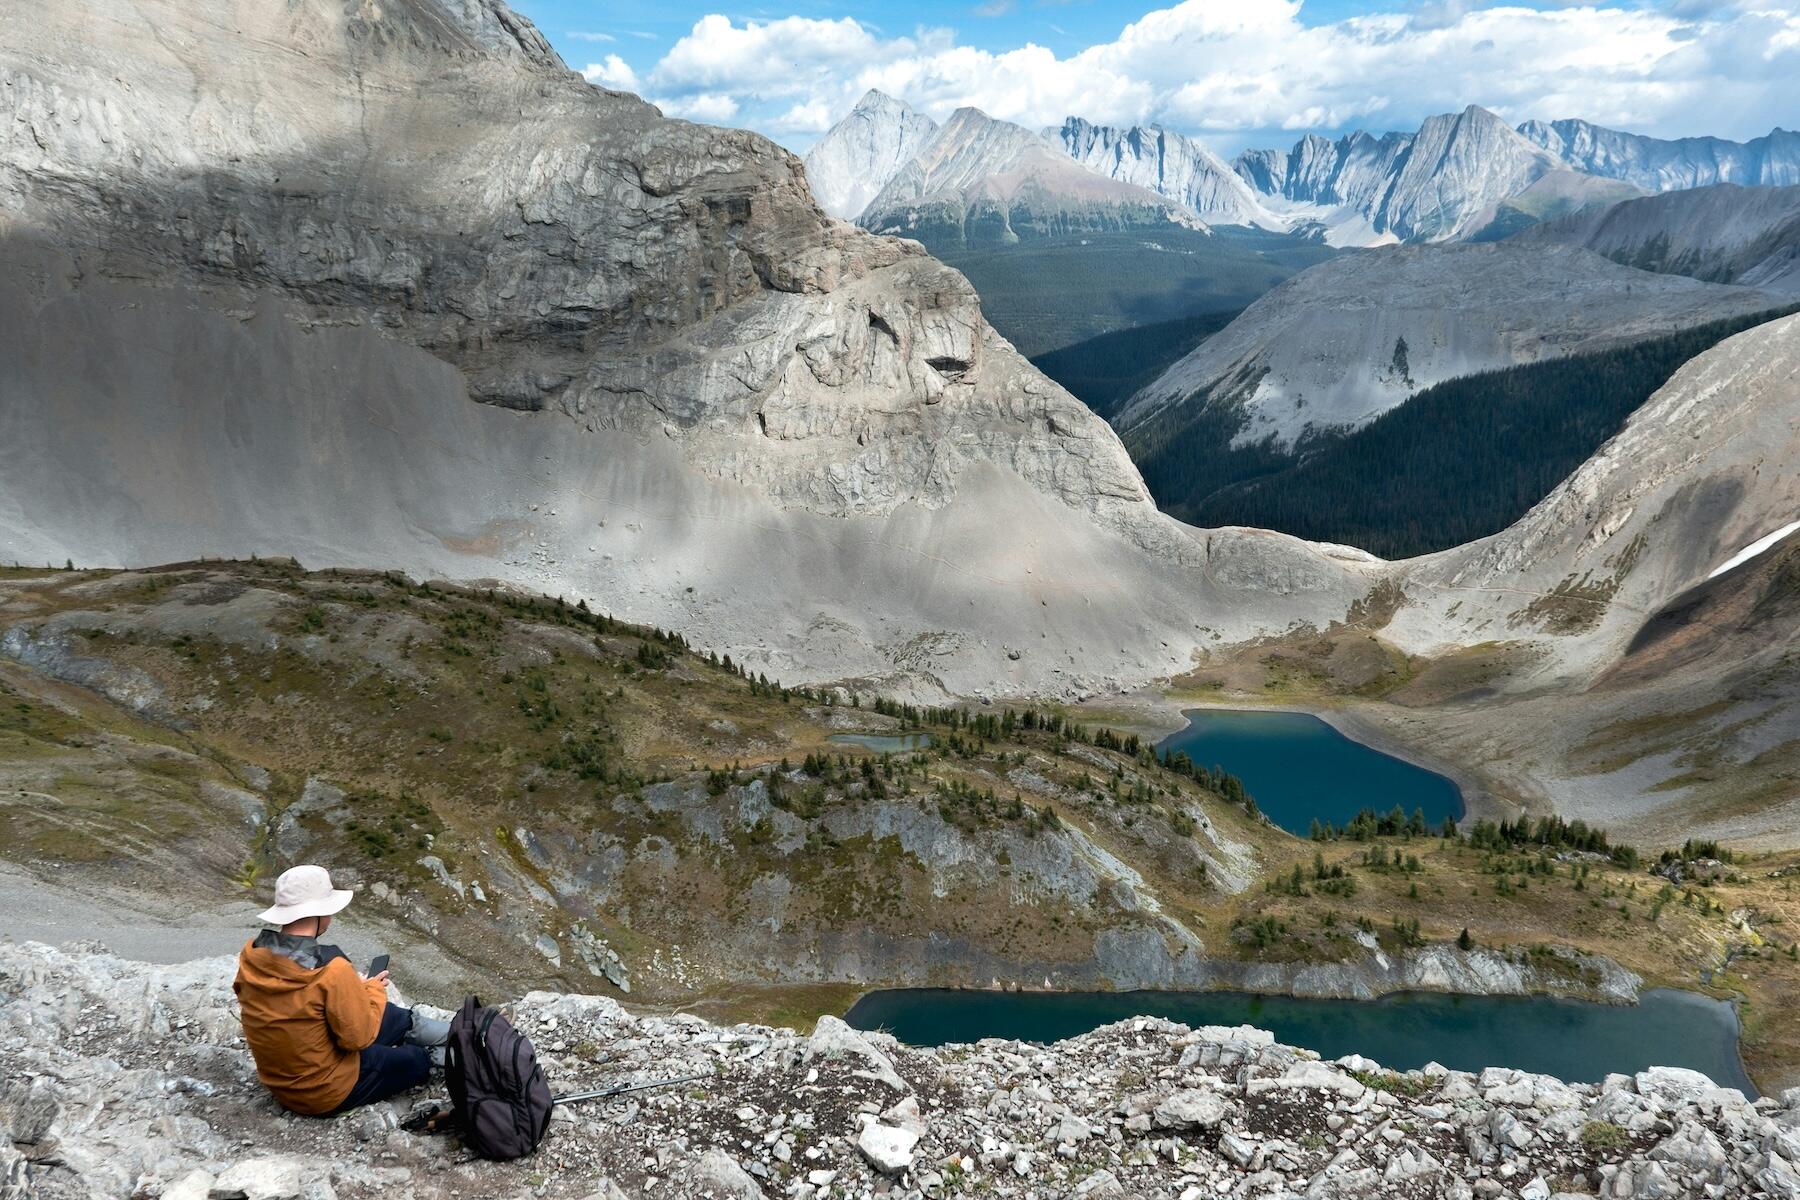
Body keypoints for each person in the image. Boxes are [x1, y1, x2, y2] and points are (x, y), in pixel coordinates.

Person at [233, 864, 448, 1115]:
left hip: (283, 1081)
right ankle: (462, 1047)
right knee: (416, 1059)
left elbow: (303, 1010)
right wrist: (375, 990)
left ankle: (461, 1035)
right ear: (318, 914)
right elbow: (358, 1038)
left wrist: (361, 990)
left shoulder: (253, 956)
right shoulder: (331, 969)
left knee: (391, 1016)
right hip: (326, 1091)